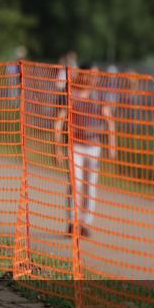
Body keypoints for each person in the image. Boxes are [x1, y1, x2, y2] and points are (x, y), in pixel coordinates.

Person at [64, 65, 116, 239]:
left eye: (95, 75)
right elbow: (61, 119)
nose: (93, 78)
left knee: (89, 186)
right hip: (75, 145)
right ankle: (72, 222)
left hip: (93, 145)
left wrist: (112, 145)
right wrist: (57, 146)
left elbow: (109, 120)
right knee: (75, 184)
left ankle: (85, 223)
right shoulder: (72, 93)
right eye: (90, 74)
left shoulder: (99, 95)